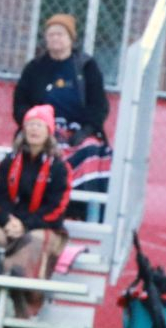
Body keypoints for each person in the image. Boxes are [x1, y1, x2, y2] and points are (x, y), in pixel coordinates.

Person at [12, 12, 110, 212]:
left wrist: (87, 130)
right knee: (39, 146)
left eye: (60, 34)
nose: (55, 38)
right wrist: (34, 123)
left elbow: (99, 105)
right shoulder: (35, 67)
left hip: (79, 130)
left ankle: (82, 209)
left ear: (71, 39)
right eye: (51, 34)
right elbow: (20, 103)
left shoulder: (86, 66)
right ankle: (36, 204)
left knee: (91, 149)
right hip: (44, 127)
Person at [0, 104, 72, 318]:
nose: (34, 129)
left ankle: (22, 306)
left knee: (33, 242)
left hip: (44, 226)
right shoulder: (10, 161)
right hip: (10, 223)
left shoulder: (59, 167)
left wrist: (25, 224)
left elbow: (57, 207)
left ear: (49, 131)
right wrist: (7, 220)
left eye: (39, 125)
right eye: (30, 124)